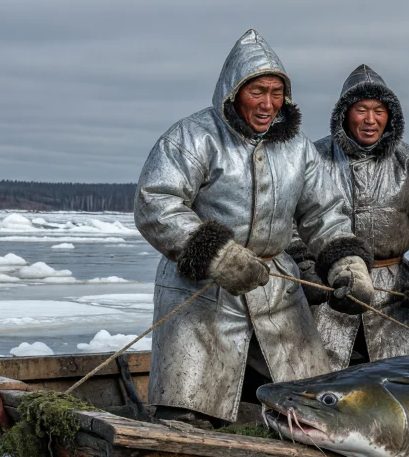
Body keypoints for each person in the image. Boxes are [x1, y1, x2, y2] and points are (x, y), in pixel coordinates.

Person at [135, 29, 374, 426]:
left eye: (276, 93)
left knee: (313, 408)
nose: (267, 104)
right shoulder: (192, 137)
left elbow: (325, 213)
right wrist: (216, 254)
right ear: (233, 92)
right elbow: (155, 203)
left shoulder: (297, 148)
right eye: (257, 91)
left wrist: (347, 264)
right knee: (188, 410)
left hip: (276, 288)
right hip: (201, 292)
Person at [297, 65, 409, 368]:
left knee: (405, 381)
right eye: (361, 110)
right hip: (332, 286)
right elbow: (292, 216)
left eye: (379, 110)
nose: (371, 120)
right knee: (321, 380)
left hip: (394, 291)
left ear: (390, 116)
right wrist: (306, 264)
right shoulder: (314, 158)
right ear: (345, 113)